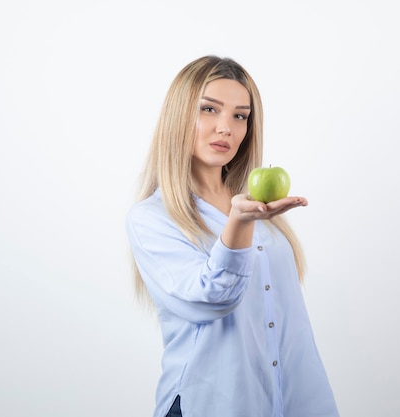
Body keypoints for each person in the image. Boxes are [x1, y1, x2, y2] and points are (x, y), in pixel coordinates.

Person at [125, 55, 340, 417]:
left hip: (287, 401)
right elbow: (211, 300)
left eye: (240, 115)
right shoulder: (151, 220)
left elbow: (293, 329)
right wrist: (239, 222)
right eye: (209, 109)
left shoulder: (264, 210)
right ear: (179, 116)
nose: (226, 127)